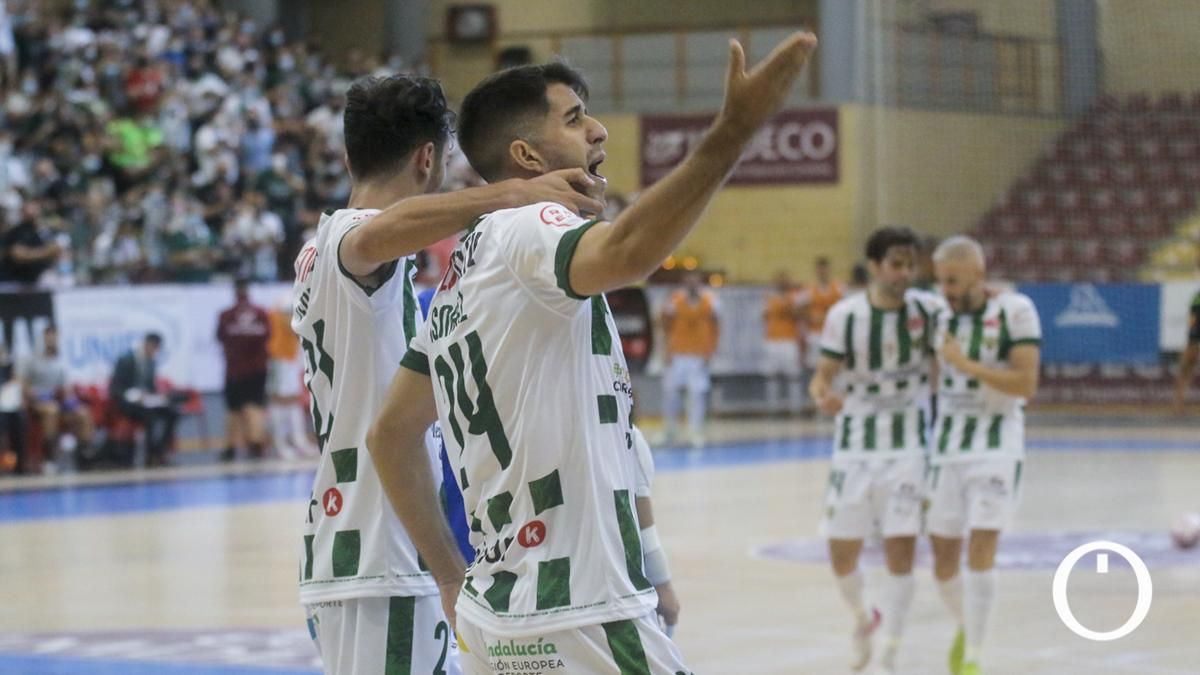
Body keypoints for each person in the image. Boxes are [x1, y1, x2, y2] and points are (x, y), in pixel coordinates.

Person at [366, 32, 816, 674]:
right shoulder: (532, 225)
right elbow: (630, 251)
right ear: (526, 155)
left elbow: (391, 435)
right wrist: (734, 131)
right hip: (581, 612)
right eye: (575, 119)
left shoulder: (458, 282)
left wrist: (448, 574)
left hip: (496, 618)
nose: (599, 130)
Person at [291, 72, 602, 675]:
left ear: (350, 154)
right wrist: (511, 194)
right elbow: (377, 233)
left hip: (367, 547)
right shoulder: (349, 239)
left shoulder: (325, 252)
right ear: (429, 158)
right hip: (379, 551)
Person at [809, 227, 941, 674]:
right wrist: (821, 393)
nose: (906, 272)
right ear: (875, 267)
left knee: (901, 548)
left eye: (911, 263)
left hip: (908, 444)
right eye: (897, 263)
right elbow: (823, 376)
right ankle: (865, 618)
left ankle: (890, 651)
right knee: (841, 549)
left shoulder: (930, 310)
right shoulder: (845, 316)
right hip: (855, 443)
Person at [928, 235, 1041, 675]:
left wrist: (965, 363)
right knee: (941, 558)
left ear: (978, 272)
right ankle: (966, 624)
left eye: (953, 280)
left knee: (981, 543)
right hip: (947, 444)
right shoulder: (938, 314)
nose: (947, 289)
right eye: (940, 281)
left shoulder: (1016, 310)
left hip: (996, 443)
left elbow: (1026, 384)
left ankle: (973, 656)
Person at [18, 326, 92, 472]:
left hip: (57, 401)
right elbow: (23, 385)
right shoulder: (30, 360)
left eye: (54, 338)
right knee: (52, 410)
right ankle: (49, 457)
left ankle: (85, 457)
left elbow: (66, 389)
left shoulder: (60, 362)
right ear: (43, 339)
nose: (51, 341)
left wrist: (69, 399)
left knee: (83, 413)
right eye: (48, 338)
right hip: (37, 402)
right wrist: (34, 394)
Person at [661, 271, 720, 446]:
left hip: (699, 355)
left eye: (696, 281)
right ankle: (669, 431)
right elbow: (664, 325)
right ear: (684, 282)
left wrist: (711, 350)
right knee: (671, 393)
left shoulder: (711, 301)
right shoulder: (675, 300)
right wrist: (666, 349)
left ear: (701, 283)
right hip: (677, 353)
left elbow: (717, 325)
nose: (692, 284)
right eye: (688, 281)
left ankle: (695, 432)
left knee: (697, 394)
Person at [216, 279, 271, 462]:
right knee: (254, 406)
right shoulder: (261, 313)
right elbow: (268, 337)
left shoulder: (226, 315)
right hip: (257, 368)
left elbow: (220, 338)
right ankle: (255, 444)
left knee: (234, 410)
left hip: (235, 369)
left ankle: (231, 447)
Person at [109, 333, 178, 467]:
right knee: (150, 417)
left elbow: (151, 388)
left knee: (173, 413)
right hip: (128, 404)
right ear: (146, 344)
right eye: (153, 347)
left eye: (157, 349)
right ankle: (150, 455)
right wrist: (134, 395)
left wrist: (157, 397)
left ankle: (160, 451)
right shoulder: (126, 360)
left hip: (147, 402)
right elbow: (115, 389)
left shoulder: (151, 362)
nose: (154, 352)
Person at [266, 293, 316, 459]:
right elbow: (290, 324)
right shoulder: (287, 299)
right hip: (281, 355)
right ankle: (281, 443)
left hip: (290, 355)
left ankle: (298, 440)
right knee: (280, 398)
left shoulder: (293, 296)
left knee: (293, 397)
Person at [798, 255, 845, 396]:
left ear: (828, 270)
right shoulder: (809, 289)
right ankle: (819, 402)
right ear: (816, 271)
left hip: (834, 334)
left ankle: (837, 399)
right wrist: (810, 316)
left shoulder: (838, 288)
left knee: (836, 368)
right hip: (816, 335)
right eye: (820, 270)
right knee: (817, 369)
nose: (822, 272)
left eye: (824, 269)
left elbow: (847, 308)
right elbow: (796, 310)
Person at [762, 270, 804, 415]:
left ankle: (795, 409)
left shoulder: (794, 297)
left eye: (784, 280)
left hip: (789, 340)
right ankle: (772, 409)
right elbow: (764, 316)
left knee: (793, 376)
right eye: (779, 280)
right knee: (772, 376)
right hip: (772, 340)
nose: (781, 283)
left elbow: (799, 315)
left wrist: (787, 307)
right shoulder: (769, 298)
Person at [1173, 285, 1200, 413]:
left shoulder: (1197, 296)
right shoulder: (1197, 297)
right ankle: (1179, 405)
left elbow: (1192, 320)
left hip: (1194, 339)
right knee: (1185, 371)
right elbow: (1193, 320)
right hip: (1194, 340)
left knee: (1185, 371)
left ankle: (1179, 405)